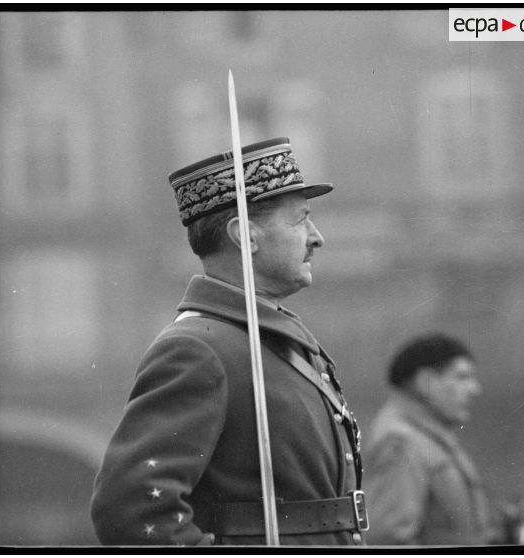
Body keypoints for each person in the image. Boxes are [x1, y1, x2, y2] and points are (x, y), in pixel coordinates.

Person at [90, 137, 368, 546]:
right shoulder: (197, 350)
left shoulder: (266, 338)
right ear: (245, 235)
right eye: (300, 220)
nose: (316, 237)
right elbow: (129, 511)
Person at [363, 333, 496, 546]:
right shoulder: (401, 441)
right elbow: (388, 540)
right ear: (425, 382)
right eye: (462, 377)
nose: (474, 390)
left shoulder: (425, 437)